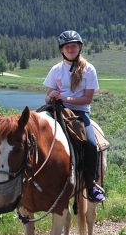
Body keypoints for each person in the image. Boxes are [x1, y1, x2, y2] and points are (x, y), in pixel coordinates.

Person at [44, 30, 105, 203]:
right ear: (62, 50)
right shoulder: (55, 69)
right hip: (55, 109)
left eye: (74, 46)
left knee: (91, 144)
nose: (71, 49)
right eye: (67, 46)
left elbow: (87, 98)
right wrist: (52, 96)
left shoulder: (88, 69)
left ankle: (91, 183)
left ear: (79, 48)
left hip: (79, 112)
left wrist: (65, 98)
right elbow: (47, 95)